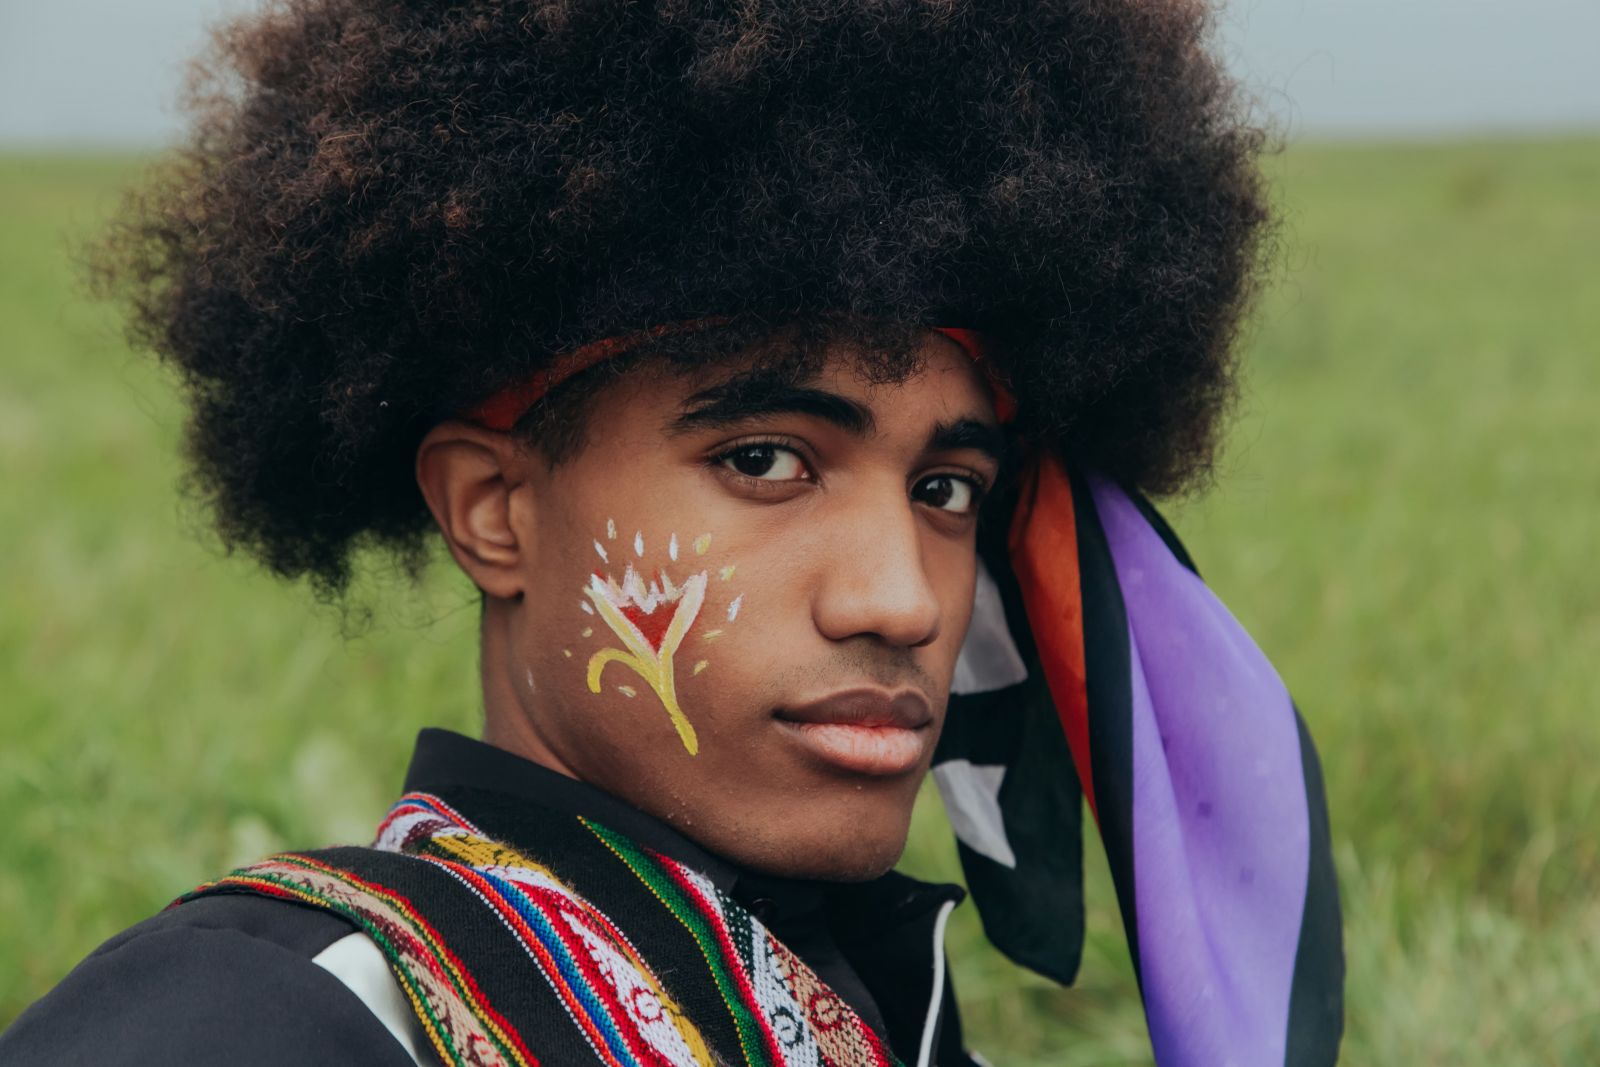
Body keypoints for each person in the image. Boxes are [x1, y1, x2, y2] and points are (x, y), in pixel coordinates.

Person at [1, 0, 1343, 1064]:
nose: (905, 600)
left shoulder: (882, 1006)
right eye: (765, 461)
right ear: (493, 511)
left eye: (945, 488)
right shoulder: (279, 1017)